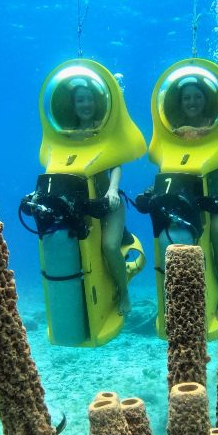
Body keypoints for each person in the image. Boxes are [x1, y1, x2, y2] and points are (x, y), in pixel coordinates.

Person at [177, 81, 218, 322]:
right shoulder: (176, 132)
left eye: (197, 97)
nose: (192, 102)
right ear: (181, 102)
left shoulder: (216, 128)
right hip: (192, 200)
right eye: (187, 98)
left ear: (205, 99)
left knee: (217, 233)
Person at [71, 82, 132, 316]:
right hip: (83, 207)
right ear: (74, 105)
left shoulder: (103, 129)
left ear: (96, 102)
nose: (85, 104)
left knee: (108, 246)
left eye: (88, 99)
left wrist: (113, 191)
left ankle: (124, 293)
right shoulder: (66, 135)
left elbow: (116, 165)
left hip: (109, 205)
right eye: (80, 100)